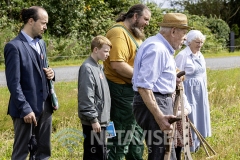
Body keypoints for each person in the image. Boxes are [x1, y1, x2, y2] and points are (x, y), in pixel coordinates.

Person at [132, 13, 191, 160]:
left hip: (158, 101)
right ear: (173, 31)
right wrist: (160, 117)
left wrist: (172, 79)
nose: (185, 38)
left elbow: (154, 78)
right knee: (162, 153)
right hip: (155, 103)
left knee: (165, 151)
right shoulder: (157, 49)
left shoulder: (159, 46)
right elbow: (144, 86)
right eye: (183, 33)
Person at [4, 6, 54, 159]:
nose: (45, 27)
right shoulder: (14, 46)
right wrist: (25, 108)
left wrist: (52, 74)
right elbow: (13, 83)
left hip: (45, 106)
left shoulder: (42, 44)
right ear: (31, 21)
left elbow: (42, 71)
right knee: (21, 153)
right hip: (25, 110)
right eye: (43, 23)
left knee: (43, 152)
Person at [103, 4, 151, 160]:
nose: (147, 23)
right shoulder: (118, 33)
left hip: (133, 91)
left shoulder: (134, 33)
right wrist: (143, 79)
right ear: (135, 16)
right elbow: (118, 64)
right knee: (120, 136)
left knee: (136, 135)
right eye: (146, 19)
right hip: (121, 92)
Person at [175, 30, 211, 152]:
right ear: (189, 42)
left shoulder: (200, 55)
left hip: (200, 91)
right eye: (197, 42)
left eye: (201, 42)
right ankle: (190, 145)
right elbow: (177, 75)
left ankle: (200, 141)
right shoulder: (182, 55)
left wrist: (205, 88)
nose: (200, 44)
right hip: (188, 90)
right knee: (190, 114)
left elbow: (204, 73)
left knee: (200, 113)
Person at [78, 35, 112, 160]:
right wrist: (93, 119)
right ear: (96, 49)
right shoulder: (87, 68)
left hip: (102, 121)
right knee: (93, 155)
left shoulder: (99, 67)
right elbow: (86, 97)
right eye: (105, 51)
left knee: (101, 154)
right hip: (94, 123)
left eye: (109, 51)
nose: (108, 54)